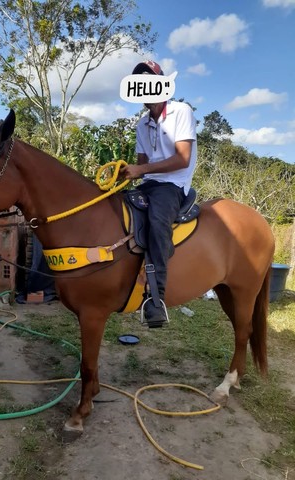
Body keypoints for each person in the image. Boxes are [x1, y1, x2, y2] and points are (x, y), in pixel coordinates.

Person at [120, 60, 197, 326]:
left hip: (173, 184)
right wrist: (127, 171)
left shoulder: (181, 111)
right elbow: (142, 162)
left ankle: (156, 298)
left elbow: (183, 158)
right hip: (149, 183)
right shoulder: (142, 124)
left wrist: (142, 169)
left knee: (156, 221)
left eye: (148, 79)